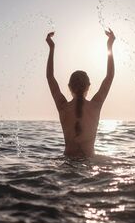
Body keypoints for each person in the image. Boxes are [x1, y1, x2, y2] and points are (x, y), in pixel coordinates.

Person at [45, 29, 115, 158]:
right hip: (89, 161)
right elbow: (109, 76)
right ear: (88, 86)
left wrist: (52, 48)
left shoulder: (62, 106)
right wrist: (109, 45)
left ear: (69, 87)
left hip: (67, 163)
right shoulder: (95, 105)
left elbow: (50, 77)